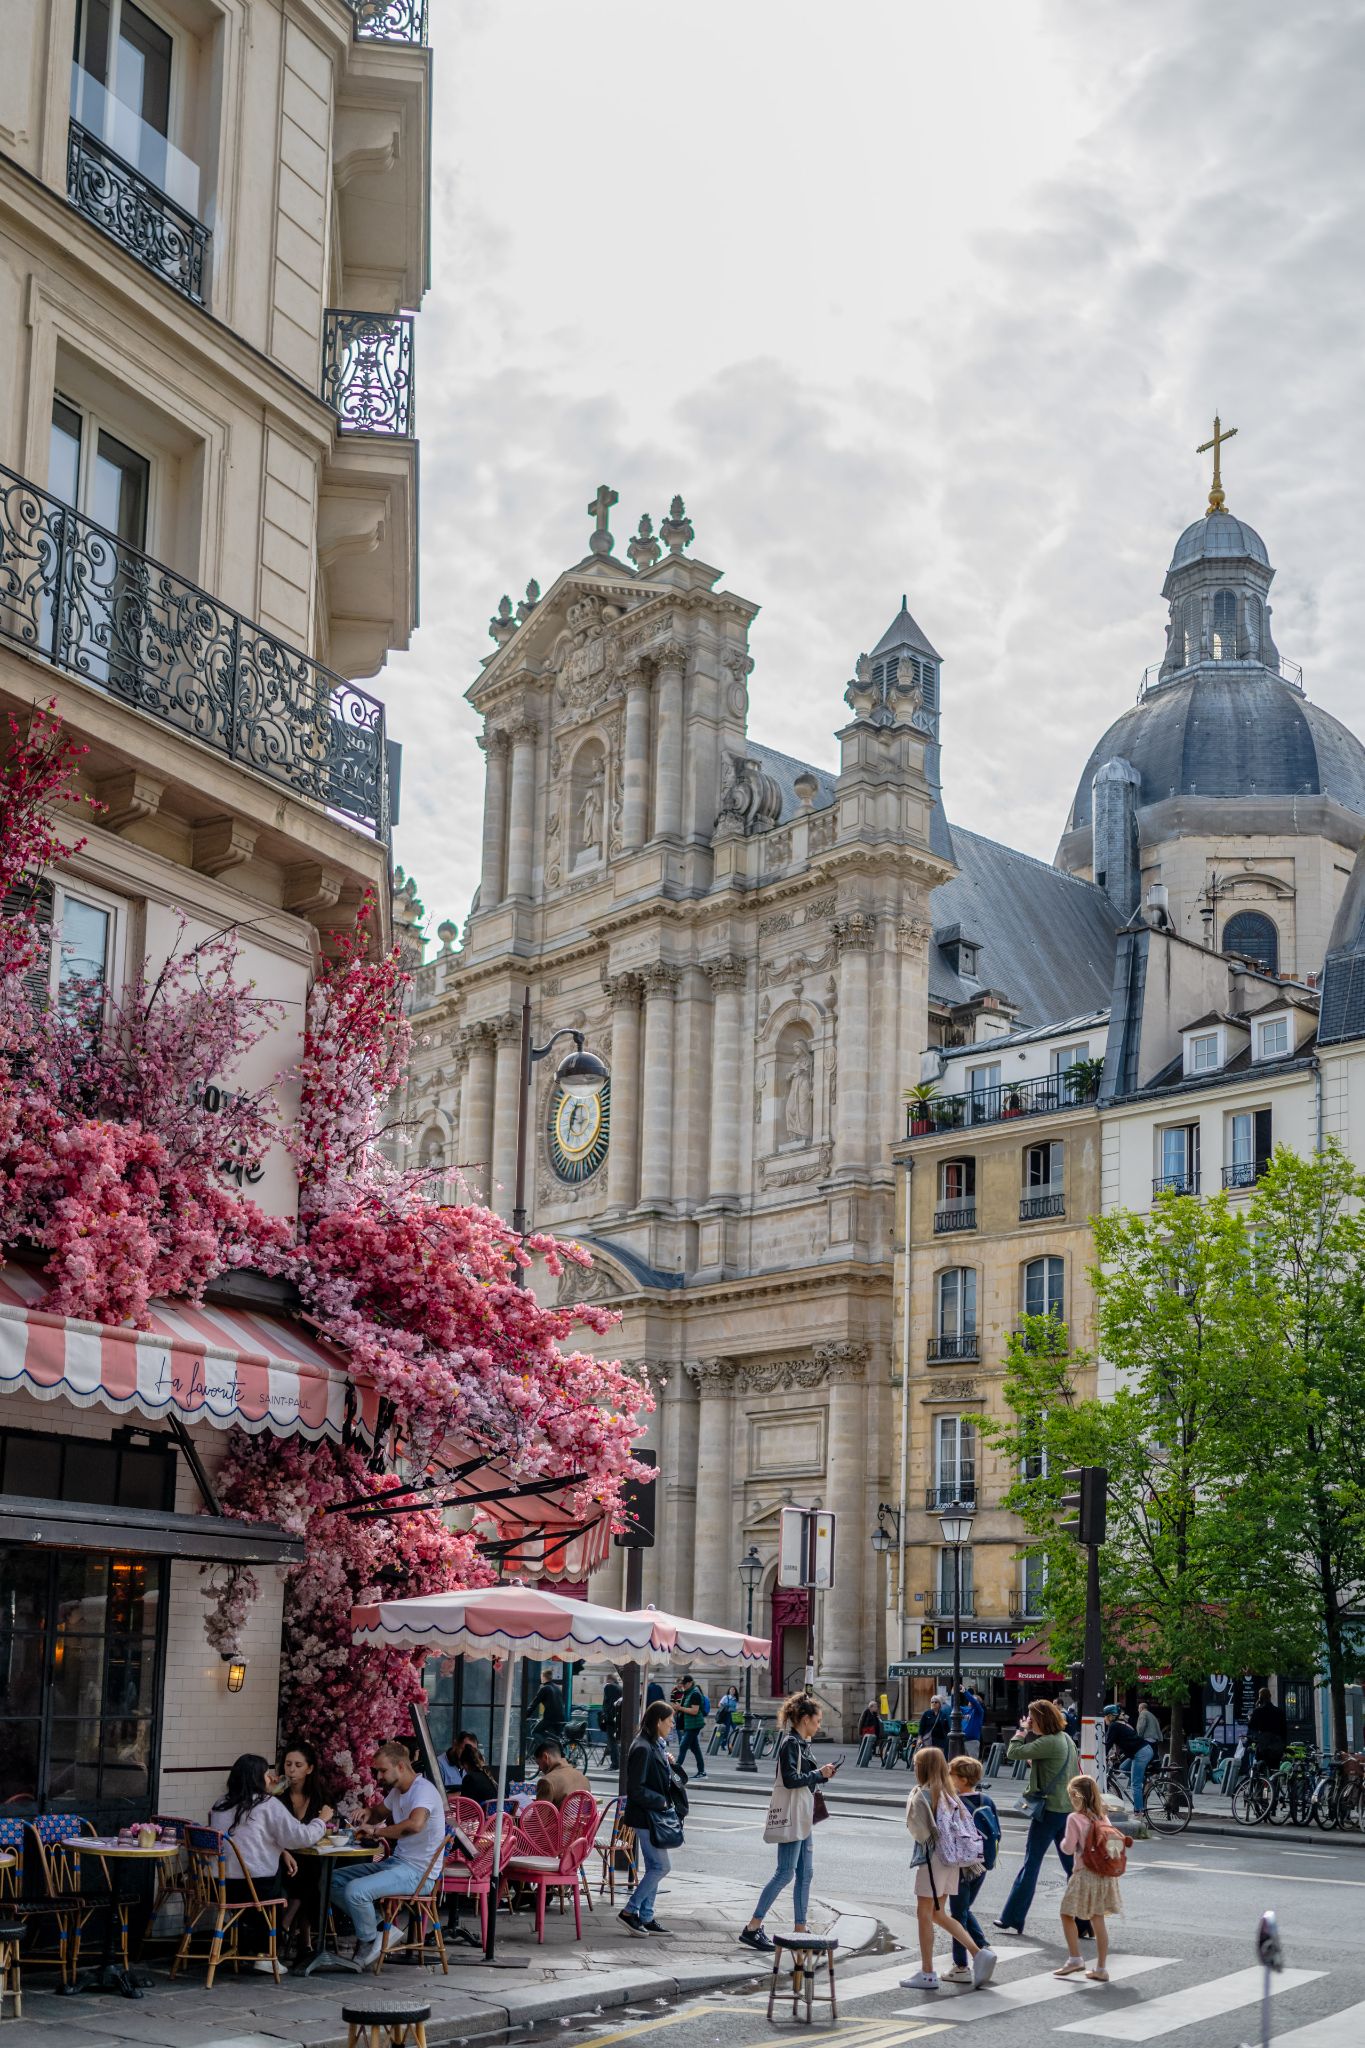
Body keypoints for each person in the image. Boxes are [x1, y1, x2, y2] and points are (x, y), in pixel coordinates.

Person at [209, 1753, 331, 1971]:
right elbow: (300, 1837)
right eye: (267, 1774)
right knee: (295, 1878)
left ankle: (260, 1940)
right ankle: (266, 1953)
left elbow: (247, 1838)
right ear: (257, 1778)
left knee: (291, 1874)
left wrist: (281, 1850)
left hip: (216, 1886)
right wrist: (321, 1821)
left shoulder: (221, 1803)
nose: (272, 1778)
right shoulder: (267, 1804)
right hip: (253, 1889)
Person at [331, 1739, 446, 1968]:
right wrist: (367, 1813)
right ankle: (380, 1928)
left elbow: (415, 1825)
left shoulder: (423, 1791)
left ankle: (368, 1940)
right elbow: (378, 1814)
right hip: (397, 1863)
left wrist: (376, 1831)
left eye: (383, 1770)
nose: (379, 1776)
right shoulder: (397, 1791)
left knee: (355, 1891)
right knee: (331, 1881)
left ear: (400, 1766)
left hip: (419, 1873)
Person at [738, 1691, 837, 1952]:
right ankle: (752, 1927)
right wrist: (818, 1773)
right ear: (805, 1719)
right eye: (817, 1721)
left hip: (803, 1815)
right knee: (785, 1872)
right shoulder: (791, 1744)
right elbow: (791, 1779)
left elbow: (803, 1777)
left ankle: (800, 1929)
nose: (819, 1726)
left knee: (805, 1873)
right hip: (794, 1815)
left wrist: (822, 1775)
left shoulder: (801, 1743)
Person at [900, 1746, 996, 1992]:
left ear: (923, 1768)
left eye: (916, 1765)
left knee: (924, 1914)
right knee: (938, 1913)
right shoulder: (949, 1792)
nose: (914, 1768)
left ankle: (927, 1972)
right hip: (952, 1860)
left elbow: (919, 1831)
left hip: (933, 1859)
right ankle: (978, 1953)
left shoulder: (925, 1793)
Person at [992, 1699, 1089, 1937]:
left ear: (1041, 1720)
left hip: (1048, 1812)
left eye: (1031, 1718)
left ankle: (1012, 1917)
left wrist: (1021, 1731)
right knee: (1073, 1868)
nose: (1029, 1722)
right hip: (1068, 1810)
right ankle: (1085, 1921)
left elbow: (1013, 1752)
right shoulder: (1066, 1739)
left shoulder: (1048, 1741)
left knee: (1031, 1864)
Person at [621, 1701, 687, 1934]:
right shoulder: (642, 1747)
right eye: (669, 1721)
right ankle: (629, 1911)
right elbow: (635, 1789)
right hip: (646, 1817)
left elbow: (678, 1781)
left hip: (653, 1817)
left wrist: (670, 1765)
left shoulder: (655, 1745)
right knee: (661, 1867)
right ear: (658, 1721)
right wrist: (662, 1802)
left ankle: (647, 1916)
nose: (672, 1725)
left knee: (653, 1867)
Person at [1054, 1774, 1128, 1982]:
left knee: (1066, 1913)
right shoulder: (1102, 1817)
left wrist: (1063, 1842)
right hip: (1104, 1875)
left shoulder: (1074, 1818)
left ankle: (1075, 1959)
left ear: (1075, 1796)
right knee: (1098, 1919)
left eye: (1071, 1795)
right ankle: (1101, 1968)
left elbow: (1068, 1849)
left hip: (1084, 1874)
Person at [943, 1754, 999, 1983]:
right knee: (964, 1909)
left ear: (963, 1780)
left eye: (951, 1775)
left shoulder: (955, 1803)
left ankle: (961, 1966)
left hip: (962, 1866)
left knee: (958, 1916)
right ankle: (984, 1948)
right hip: (982, 1863)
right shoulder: (987, 1800)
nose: (948, 1778)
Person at [276, 1739, 331, 1955]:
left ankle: (287, 1925)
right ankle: (303, 1939)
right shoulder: (277, 1795)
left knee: (311, 1869)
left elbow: (328, 1827)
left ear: (309, 1768)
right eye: (288, 1764)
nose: (291, 1770)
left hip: (309, 1855)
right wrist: (283, 1851)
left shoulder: (319, 1796)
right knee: (310, 1873)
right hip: (280, 1856)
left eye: (298, 1765)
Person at [1103, 1705, 1154, 1812]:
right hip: (1144, 1749)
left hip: (1141, 1753)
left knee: (1135, 1784)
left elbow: (1108, 1744)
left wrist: (1102, 1756)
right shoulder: (1122, 1724)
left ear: (1111, 1716)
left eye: (1105, 1716)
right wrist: (1116, 1755)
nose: (1104, 1718)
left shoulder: (1114, 1726)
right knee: (1123, 1767)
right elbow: (1123, 1741)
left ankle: (1138, 1811)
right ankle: (1147, 1782)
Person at [534, 1738, 590, 1807]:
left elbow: (540, 1812)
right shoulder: (584, 1778)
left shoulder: (547, 1781)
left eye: (538, 1763)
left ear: (545, 1757)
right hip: (582, 1814)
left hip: (557, 1814)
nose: (539, 1769)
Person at [677, 1672, 709, 1780]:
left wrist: (680, 1708)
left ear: (690, 1683)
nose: (683, 1685)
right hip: (690, 1724)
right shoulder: (688, 1692)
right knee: (695, 1749)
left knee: (683, 1746)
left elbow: (695, 1711)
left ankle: (675, 1770)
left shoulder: (695, 1693)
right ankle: (702, 1772)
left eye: (685, 1683)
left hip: (694, 1725)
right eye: (682, 1683)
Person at [451, 1737, 497, 1807]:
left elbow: (465, 1805)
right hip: (497, 1813)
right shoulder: (491, 1774)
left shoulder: (470, 1778)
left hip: (481, 1813)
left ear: (465, 1765)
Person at [1247, 1687, 1287, 1767]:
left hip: (1263, 1746)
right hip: (1276, 1747)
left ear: (1260, 1698)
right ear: (1270, 1696)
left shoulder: (1258, 1711)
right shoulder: (1279, 1711)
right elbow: (1284, 1730)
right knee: (1275, 1769)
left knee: (1261, 1768)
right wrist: (1283, 1746)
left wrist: (1256, 1708)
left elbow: (1251, 1725)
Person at [529, 1667, 566, 1743]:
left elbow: (534, 1704)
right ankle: (558, 1746)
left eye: (541, 1676)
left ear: (543, 1677)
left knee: (535, 1732)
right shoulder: (557, 1688)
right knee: (554, 1737)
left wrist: (526, 1715)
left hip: (550, 1718)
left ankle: (545, 1747)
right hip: (561, 1717)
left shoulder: (544, 1688)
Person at [602, 1678, 623, 1769]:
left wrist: (606, 1716)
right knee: (615, 1742)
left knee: (612, 1742)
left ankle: (615, 1764)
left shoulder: (609, 1689)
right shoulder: (620, 1689)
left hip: (611, 1720)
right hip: (617, 1719)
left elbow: (607, 1705)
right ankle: (617, 1762)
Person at [960, 1688, 985, 1759]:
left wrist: (964, 1691)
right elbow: (954, 1706)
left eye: (973, 1700)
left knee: (973, 1762)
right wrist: (953, 1694)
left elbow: (974, 1702)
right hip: (963, 1739)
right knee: (964, 1763)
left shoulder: (979, 1711)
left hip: (972, 1741)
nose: (970, 1701)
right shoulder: (966, 1709)